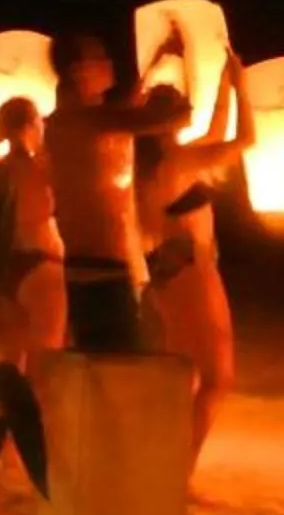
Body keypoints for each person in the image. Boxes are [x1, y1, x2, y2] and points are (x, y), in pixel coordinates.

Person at [139, 52, 254, 472]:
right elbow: (244, 140)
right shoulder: (178, 162)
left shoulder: (157, 163)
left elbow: (217, 130)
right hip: (189, 266)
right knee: (217, 377)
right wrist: (243, 90)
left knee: (185, 373)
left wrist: (225, 83)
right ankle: (179, 468)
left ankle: (167, 463)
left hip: (166, 269)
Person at [43, 32, 191, 354]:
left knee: (100, 364)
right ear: (79, 71)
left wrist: (157, 60)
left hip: (87, 266)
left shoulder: (65, 121)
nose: (110, 65)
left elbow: (125, 111)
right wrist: (190, 69)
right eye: (101, 59)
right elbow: (174, 117)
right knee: (120, 367)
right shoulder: (91, 122)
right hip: (104, 272)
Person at [0, 97, 67, 376]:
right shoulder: (38, 168)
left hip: (8, 269)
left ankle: (12, 402)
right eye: (40, 122)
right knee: (46, 360)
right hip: (42, 265)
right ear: (29, 126)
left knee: (13, 360)